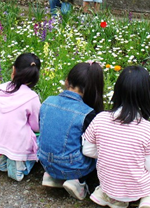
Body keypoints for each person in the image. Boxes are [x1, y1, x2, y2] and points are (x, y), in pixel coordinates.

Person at [83, 66, 150, 208]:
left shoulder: (100, 118)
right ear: (146, 95)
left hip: (107, 184)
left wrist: (110, 150)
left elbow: (87, 150)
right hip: (135, 190)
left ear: (117, 91)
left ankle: (105, 195)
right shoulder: (147, 129)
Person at [38, 62, 104, 200]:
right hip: (72, 166)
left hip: (44, 160)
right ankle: (78, 181)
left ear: (67, 81)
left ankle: (52, 176)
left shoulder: (47, 101)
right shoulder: (87, 113)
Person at [0, 53, 41, 181]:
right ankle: (20, 164)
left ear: (14, 70)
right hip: (16, 146)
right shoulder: (31, 98)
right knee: (39, 142)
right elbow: (36, 126)